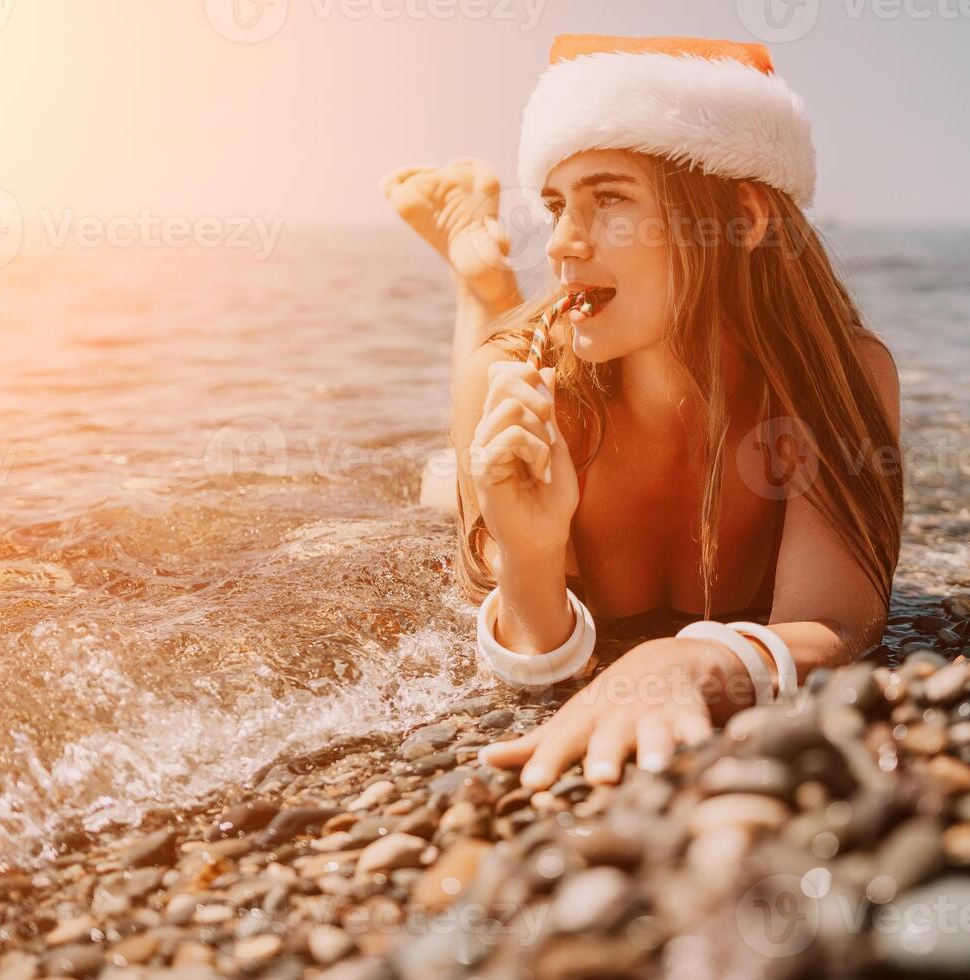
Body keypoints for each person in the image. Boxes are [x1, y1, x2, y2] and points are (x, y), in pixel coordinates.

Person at [379, 33, 902, 791]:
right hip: (524, 380)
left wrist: (690, 659)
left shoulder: (833, 379)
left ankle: (486, 282)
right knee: (466, 429)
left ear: (745, 218)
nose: (560, 243)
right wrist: (529, 553)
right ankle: (480, 285)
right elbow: (531, 663)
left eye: (609, 198)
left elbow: (844, 624)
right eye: (556, 205)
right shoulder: (532, 385)